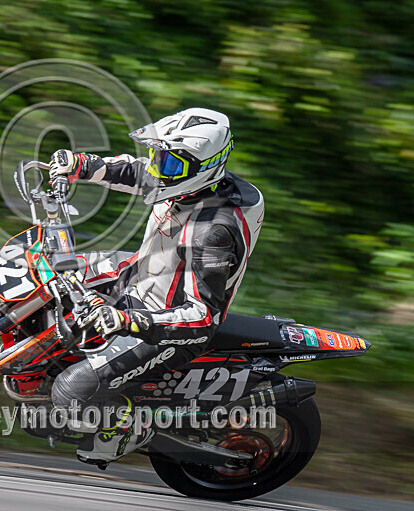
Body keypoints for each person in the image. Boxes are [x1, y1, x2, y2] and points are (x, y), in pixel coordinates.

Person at [47, 107, 264, 466]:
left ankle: (129, 427)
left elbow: (201, 316)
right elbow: (136, 171)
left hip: (165, 324)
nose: (156, 169)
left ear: (204, 166)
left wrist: (128, 322)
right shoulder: (194, 180)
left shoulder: (214, 233)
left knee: (71, 394)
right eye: (158, 156)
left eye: (168, 163)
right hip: (143, 274)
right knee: (48, 275)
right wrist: (80, 164)